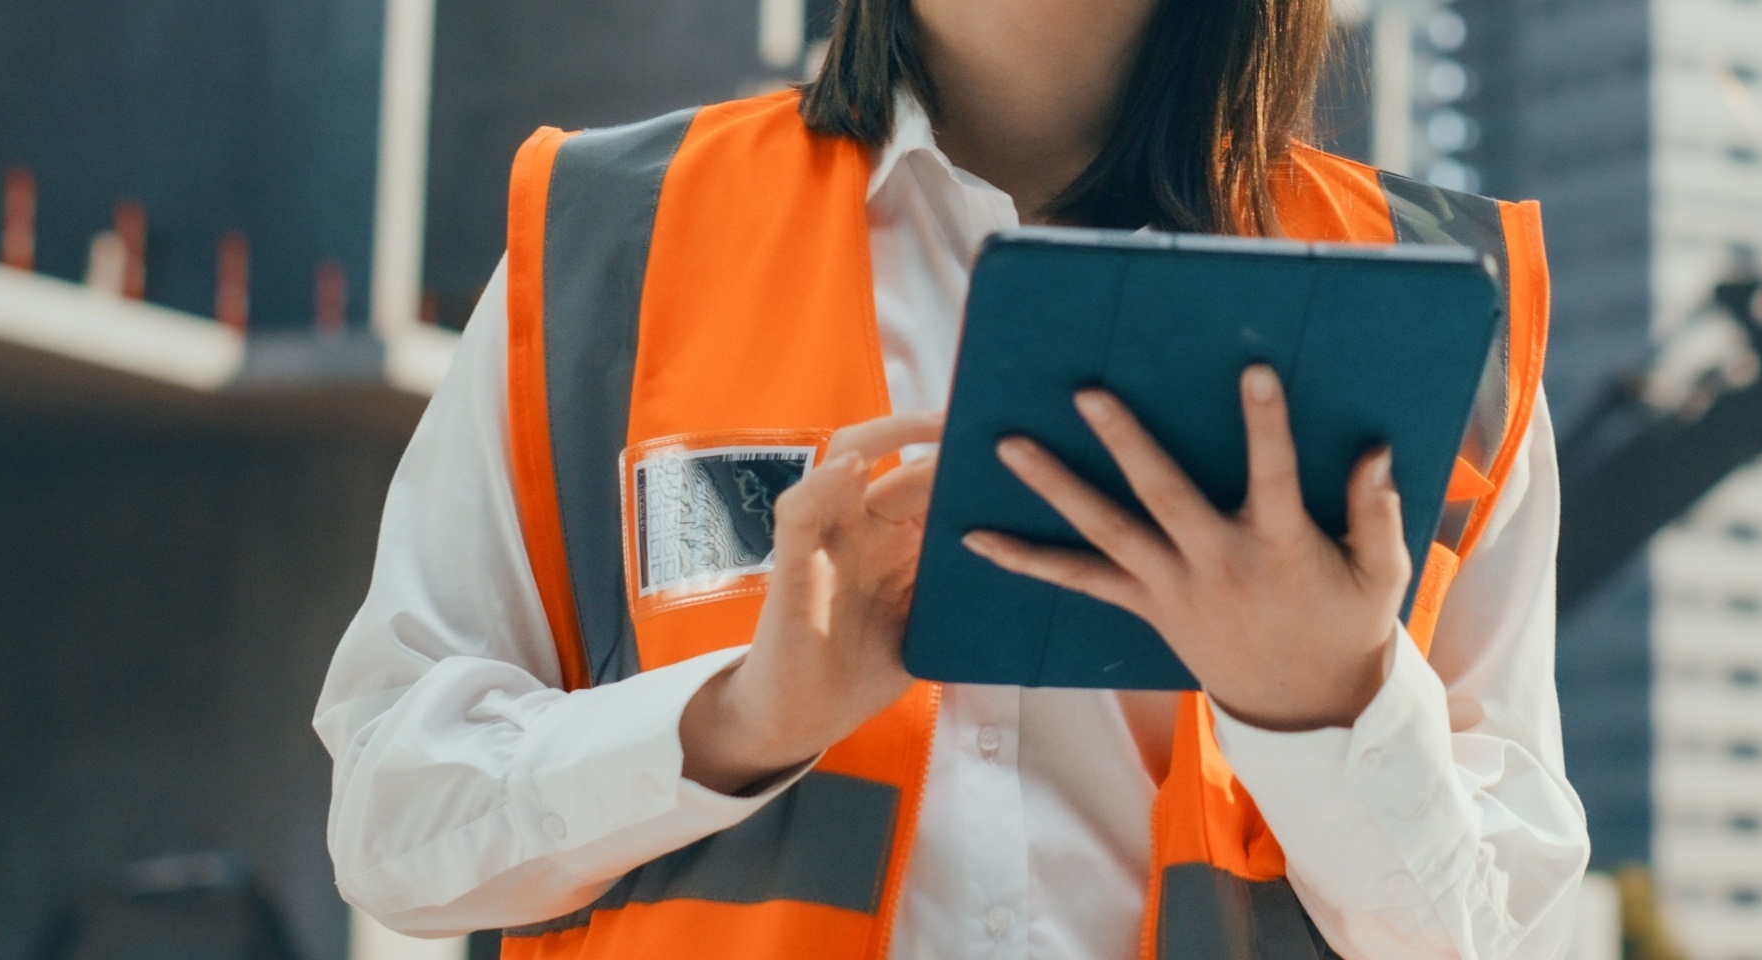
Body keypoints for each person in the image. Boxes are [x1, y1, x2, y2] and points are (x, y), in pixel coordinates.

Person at [312, 0, 1584, 956]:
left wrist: (1331, 707)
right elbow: (392, 819)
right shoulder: (613, 245)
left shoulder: (1436, 314)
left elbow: (1493, 933)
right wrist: (734, 723)